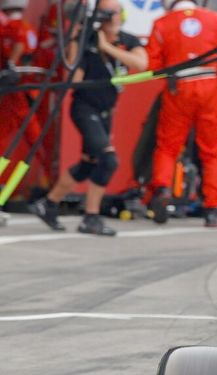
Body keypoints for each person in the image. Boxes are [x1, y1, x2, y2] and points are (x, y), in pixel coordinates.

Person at [31, 0, 147, 236]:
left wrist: (108, 48)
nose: (111, 18)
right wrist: (80, 40)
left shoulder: (127, 40)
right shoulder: (86, 39)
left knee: (87, 165)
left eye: (115, 13)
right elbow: (74, 77)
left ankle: (48, 204)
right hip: (85, 108)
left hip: (106, 111)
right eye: (106, 14)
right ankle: (90, 217)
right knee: (108, 161)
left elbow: (142, 64)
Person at [144, 0, 217, 228]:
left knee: (168, 147)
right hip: (211, 86)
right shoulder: (214, 18)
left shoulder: (162, 23)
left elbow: (154, 64)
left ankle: (162, 188)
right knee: (211, 151)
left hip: (178, 87)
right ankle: (212, 209)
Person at [0, 0, 41, 185]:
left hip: (15, 93)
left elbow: (17, 51)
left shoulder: (12, 28)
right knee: (37, 142)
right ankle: (47, 186)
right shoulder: (27, 28)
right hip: (24, 92)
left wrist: (11, 65)